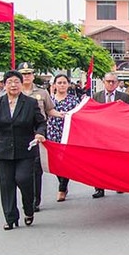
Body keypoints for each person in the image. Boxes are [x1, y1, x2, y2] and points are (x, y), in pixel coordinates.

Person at [0, 70, 47, 230]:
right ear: (4, 85)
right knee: (6, 185)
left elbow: (41, 123)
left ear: (21, 84)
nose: (13, 85)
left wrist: (39, 133)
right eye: (9, 82)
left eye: (16, 82)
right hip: (3, 150)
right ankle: (10, 218)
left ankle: (29, 208)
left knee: (24, 179)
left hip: (25, 149)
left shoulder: (30, 103)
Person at [18, 62, 62, 212]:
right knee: (21, 171)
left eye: (29, 73)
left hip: (38, 133)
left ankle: (35, 201)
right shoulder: (13, 92)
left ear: (33, 75)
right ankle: (27, 197)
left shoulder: (42, 93)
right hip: (18, 134)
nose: (26, 77)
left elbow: (50, 110)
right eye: (23, 74)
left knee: (36, 168)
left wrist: (65, 116)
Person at [91, 72, 129, 198]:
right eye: (108, 81)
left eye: (113, 81)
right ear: (103, 82)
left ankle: (118, 184)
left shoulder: (124, 96)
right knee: (99, 162)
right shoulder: (96, 96)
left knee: (117, 160)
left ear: (117, 83)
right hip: (100, 134)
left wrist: (123, 107)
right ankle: (99, 188)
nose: (110, 84)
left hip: (117, 134)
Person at [47, 74, 80, 203]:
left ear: (68, 85)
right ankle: (61, 182)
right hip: (52, 133)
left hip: (67, 134)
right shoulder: (49, 99)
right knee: (55, 162)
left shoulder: (73, 100)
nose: (61, 85)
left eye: (64, 83)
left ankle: (62, 188)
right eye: (59, 83)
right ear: (54, 85)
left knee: (65, 162)